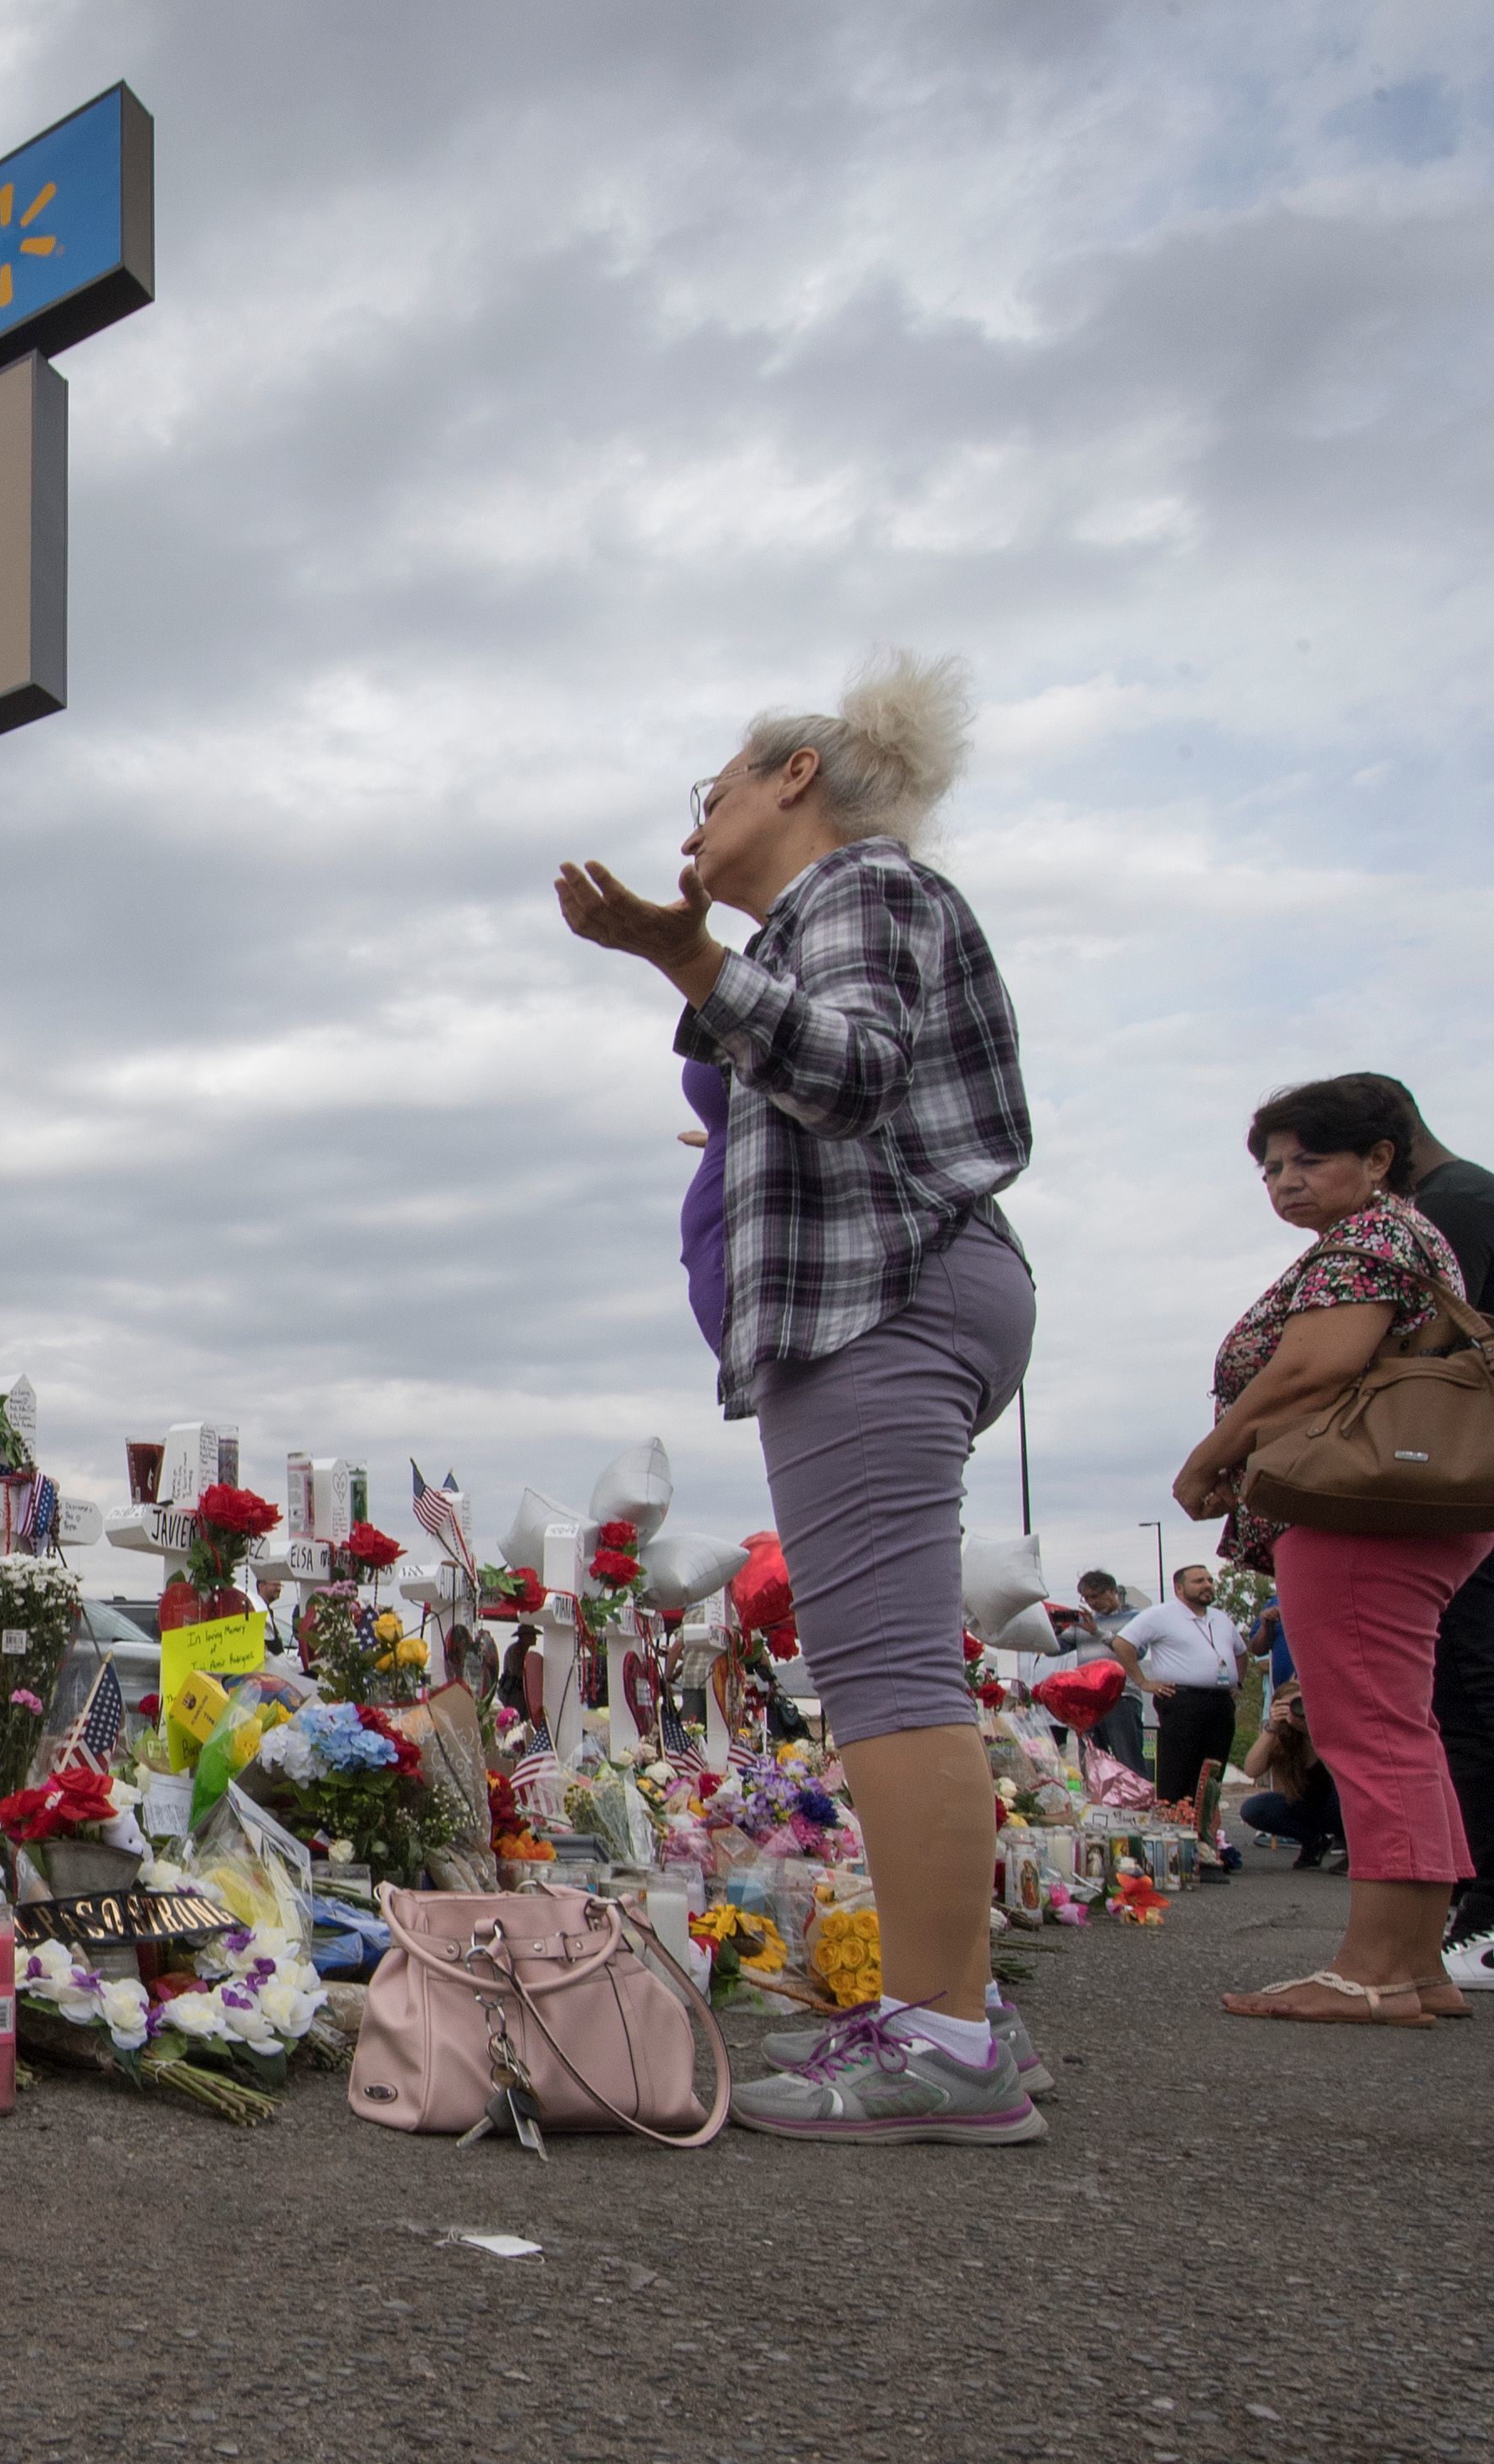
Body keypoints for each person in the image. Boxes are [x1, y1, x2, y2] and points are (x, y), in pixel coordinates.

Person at [559, 649, 1044, 2143]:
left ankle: (948, 2043)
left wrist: (680, 955)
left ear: (795, 777)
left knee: (889, 1666)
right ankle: (947, 2006)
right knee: (885, 1653)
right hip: (899, 1295)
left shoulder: (862, 892)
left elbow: (847, 1072)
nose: (692, 829)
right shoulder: (848, 913)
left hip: (882, 1297)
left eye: (709, 793)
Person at [1177, 1075, 1493, 2027]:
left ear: (1378, 1159)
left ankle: (1371, 1971)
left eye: (1309, 1158)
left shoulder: (1372, 1237)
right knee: (1403, 1730)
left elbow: (1319, 1362)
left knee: (1371, 1734)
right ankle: (1414, 1963)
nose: (1285, 1179)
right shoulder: (1398, 1238)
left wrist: (1211, 1455)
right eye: (1272, 1165)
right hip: (1406, 1509)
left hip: (1358, 1510)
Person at [1354, 1077, 1494, 1995]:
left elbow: (1426, 1341)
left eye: (1317, 1157)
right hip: (1458, 1482)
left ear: (1382, 1150)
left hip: (1458, 1481)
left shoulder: (1454, 1207)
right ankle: (1484, 1910)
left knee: (1471, 1697)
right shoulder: (1462, 1199)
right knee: (1450, 1698)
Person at [1111, 1563, 1245, 1829]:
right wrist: (1143, 1681)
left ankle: (1208, 1838)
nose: (1206, 1585)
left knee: (1212, 1775)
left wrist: (1237, 1682)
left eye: (1209, 1580)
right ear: (1179, 1588)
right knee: (1179, 1773)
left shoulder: (1220, 1618)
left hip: (1219, 1703)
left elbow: (1241, 1652)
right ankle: (1177, 1837)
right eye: (1198, 1581)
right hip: (1182, 1701)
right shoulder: (1160, 1615)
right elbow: (1122, 1643)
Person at [1239, 1680, 1343, 1867]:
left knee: (1341, 1793)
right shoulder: (1281, 1739)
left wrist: (1312, 1731)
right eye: (1288, 1707)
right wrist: (1272, 1727)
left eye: (1301, 1704)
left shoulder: (1329, 1731)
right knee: (1253, 1809)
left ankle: (1353, 1850)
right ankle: (1313, 1841)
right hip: (1307, 1806)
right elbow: (1251, 1770)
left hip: (1339, 1808)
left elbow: (1340, 1774)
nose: (1296, 1711)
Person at [1070, 1571, 1154, 1778]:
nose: (1091, 1603)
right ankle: (1099, 1806)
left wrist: (1097, 1632)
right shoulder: (1085, 1622)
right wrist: (1055, 1628)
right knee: (1092, 1761)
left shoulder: (1134, 1617)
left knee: (1127, 1759)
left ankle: (1136, 1805)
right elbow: (1054, 1648)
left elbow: (1138, 1651)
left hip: (1121, 1697)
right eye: (1086, 1598)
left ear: (1112, 1591)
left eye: (1095, 1596)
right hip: (1089, 1700)